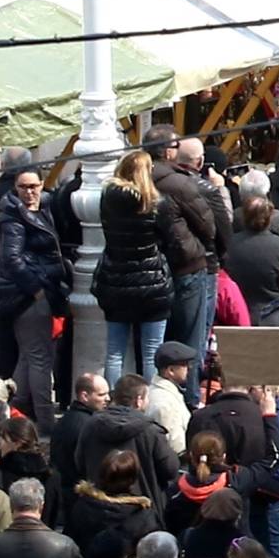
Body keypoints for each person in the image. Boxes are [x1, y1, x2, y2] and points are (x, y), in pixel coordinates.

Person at [97, 146, 191, 388]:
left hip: (116, 280)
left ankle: (116, 401)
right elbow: (170, 240)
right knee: (152, 352)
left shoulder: (108, 199)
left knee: (115, 351)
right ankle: (149, 402)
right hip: (152, 283)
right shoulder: (156, 203)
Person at [0, 167, 70, 431]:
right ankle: (45, 421)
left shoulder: (44, 206)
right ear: (15, 187)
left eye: (34, 186)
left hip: (32, 290)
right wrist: (36, 288)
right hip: (26, 294)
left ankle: (13, 410)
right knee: (39, 358)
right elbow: (10, 259)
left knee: (29, 356)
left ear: (42, 185)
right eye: (23, 187)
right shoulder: (12, 217)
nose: (29, 192)